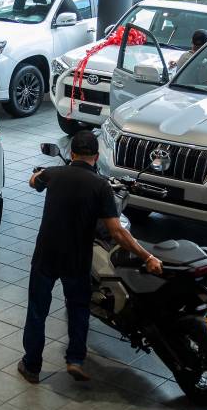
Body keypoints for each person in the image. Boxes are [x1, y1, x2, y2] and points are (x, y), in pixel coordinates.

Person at [18, 131, 163, 384]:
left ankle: (31, 366)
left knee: (37, 311)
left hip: (46, 255)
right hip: (77, 258)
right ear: (96, 157)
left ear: (72, 154)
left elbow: (34, 182)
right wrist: (147, 256)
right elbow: (117, 231)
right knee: (78, 308)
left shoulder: (54, 174)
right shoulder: (100, 186)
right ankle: (74, 359)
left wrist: (37, 175)